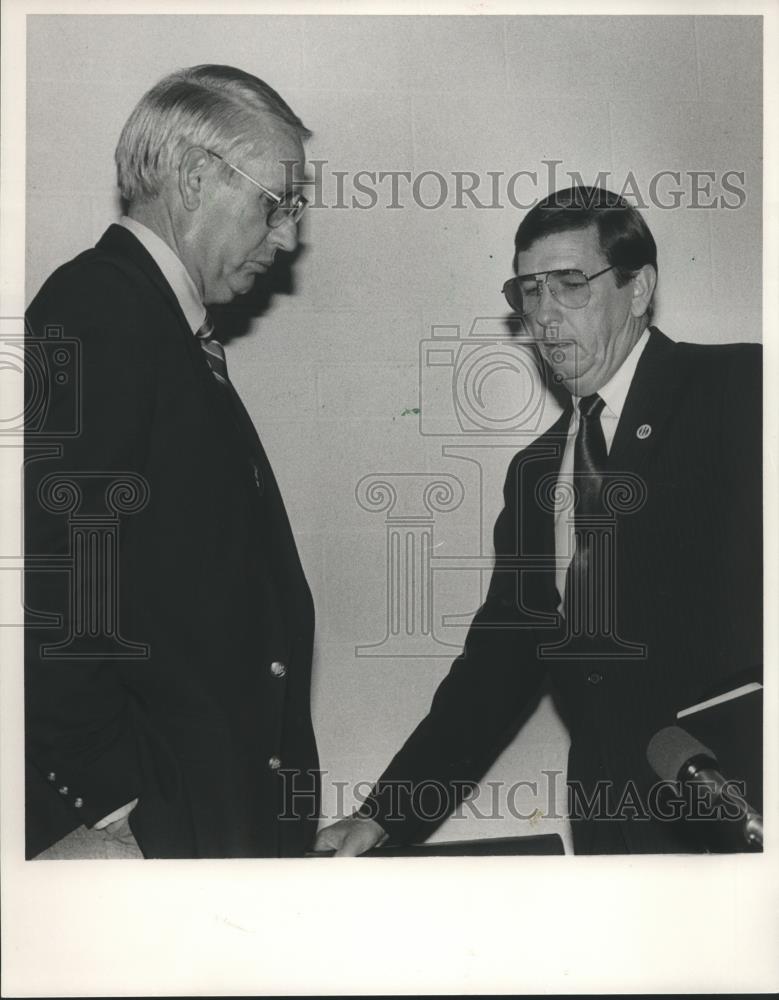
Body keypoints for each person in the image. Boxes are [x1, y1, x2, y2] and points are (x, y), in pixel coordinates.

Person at [316, 186, 762, 856]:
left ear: (637, 288)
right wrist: (385, 813)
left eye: (569, 285)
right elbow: (497, 667)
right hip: (613, 831)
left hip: (740, 813)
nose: (545, 316)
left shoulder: (739, 389)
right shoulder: (534, 472)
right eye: (529, 291)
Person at [25, 64, 319, 859]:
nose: (287, 236)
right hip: (151, 821)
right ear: (195, 178)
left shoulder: (159, 326)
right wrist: (113, 806)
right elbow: (53, 576)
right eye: (277, 204)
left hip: (199, 809)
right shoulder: (99, 308)